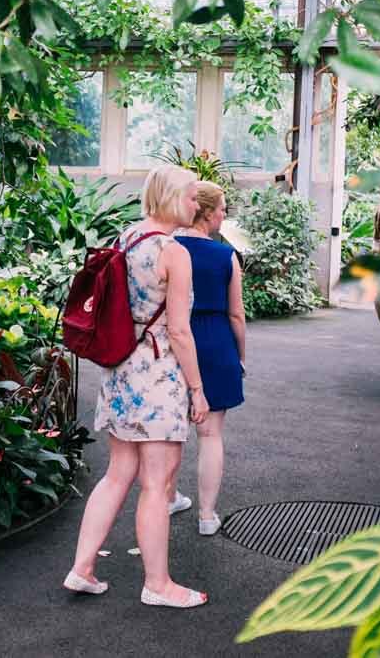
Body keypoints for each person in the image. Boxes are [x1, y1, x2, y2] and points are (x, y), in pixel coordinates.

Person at [63, 165, 210, 609]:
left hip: (121, 370)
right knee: (157, 481)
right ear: (169, 198)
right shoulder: (174, 252)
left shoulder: (127, 238)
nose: (195, 205)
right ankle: (158, 583)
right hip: (159, 374)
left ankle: (82, 568)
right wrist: (198, 390)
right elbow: (180, 332)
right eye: (189, 197)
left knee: (117, 473)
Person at [172, 182, 246, 536]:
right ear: (207, 212)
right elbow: (236, 316)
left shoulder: (168, 248)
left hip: (174, 341)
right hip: (216, 343)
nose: (224, 213)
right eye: (222, 208)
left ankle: (168, 497)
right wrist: (240, 355)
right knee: (211, 433)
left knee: (171, 432)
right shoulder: (225, 256)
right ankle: (206, 516)